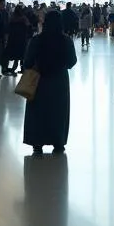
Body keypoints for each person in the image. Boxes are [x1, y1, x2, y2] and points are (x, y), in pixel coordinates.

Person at [23, 10, 78, 156]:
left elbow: (27, 62)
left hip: (40, 81)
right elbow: (72, 61)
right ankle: (58, 141)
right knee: (58, 112)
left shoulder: (37, 40)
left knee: (38, 112)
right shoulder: (66, 40)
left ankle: (37, 142)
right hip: (59, 81)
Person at [5, 4, 30, 75]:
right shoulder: (24, 18)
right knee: (22, 55)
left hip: (13, 38)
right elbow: (28, 26)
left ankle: (12, 69)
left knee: (15, 55)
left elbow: (8, 27)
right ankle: (23, 69)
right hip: (22, 38)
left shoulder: (12, 17)